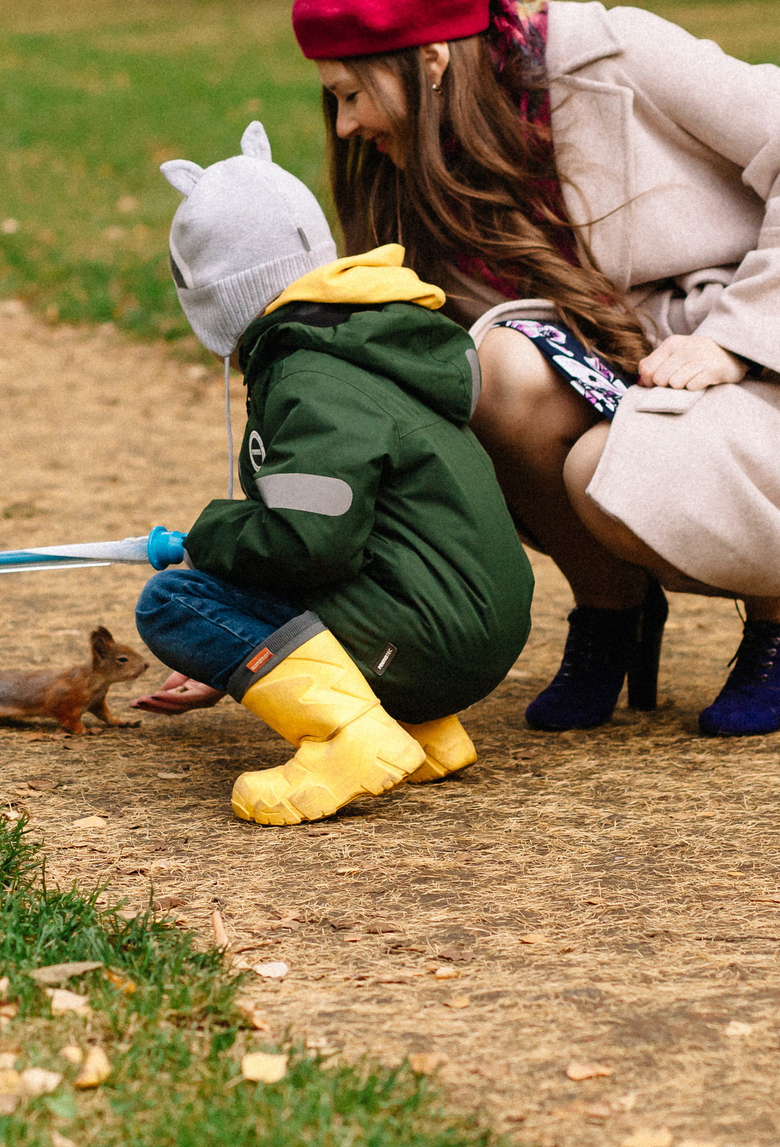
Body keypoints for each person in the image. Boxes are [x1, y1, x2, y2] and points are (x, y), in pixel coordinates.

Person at [142, 0, 780, 736]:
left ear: (433, 61)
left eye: (351, 94)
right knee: (484, 370)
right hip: (626, 367)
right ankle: (611, 608)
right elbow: (366, 426)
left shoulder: (621, 53)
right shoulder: (423, 157)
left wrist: (739, 340)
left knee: (600, 466)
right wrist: (255, 618)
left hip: (777, 365)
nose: (344, 126)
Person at [130, 123, 532, 826]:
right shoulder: (368, 340)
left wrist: (209, 538)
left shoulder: (308, 379)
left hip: (434, 635)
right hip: (480, 624)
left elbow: (310, 542)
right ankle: (423, 726)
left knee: (172, 602)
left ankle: (351, 735)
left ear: (216, 295)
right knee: (263, 568)